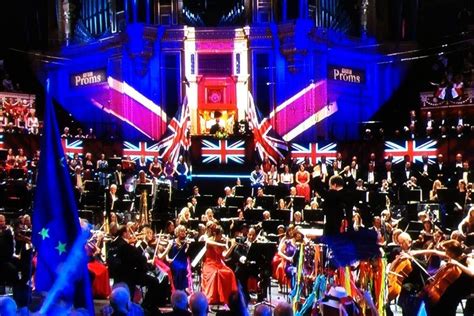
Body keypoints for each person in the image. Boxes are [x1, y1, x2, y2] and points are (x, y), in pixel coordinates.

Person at [201, 225, 238, 305]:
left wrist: (231, 246)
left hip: (218, 263)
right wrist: (222, 245)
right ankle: (215, 298)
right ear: (215, 234)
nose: (221, 236)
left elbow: (225, 256)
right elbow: (207, 242)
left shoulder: (222, 241)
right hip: (209, 264)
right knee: (216, 273)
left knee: (229, 272)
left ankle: (228, 296)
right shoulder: (209, 240)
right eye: (220, 234)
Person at [167, 225, 193, 293]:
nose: (183, 233)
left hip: (183, 261)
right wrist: (167, 259)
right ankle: (178, 288)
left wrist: (188, 246)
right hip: (175, 261)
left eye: (184, 231)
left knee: (185, 269)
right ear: (177, 232)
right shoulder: (172, 241)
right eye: (181, 231)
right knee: (179, 269)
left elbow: (187, 253)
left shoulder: (186, 242)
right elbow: (166, 252)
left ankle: (184, 289)